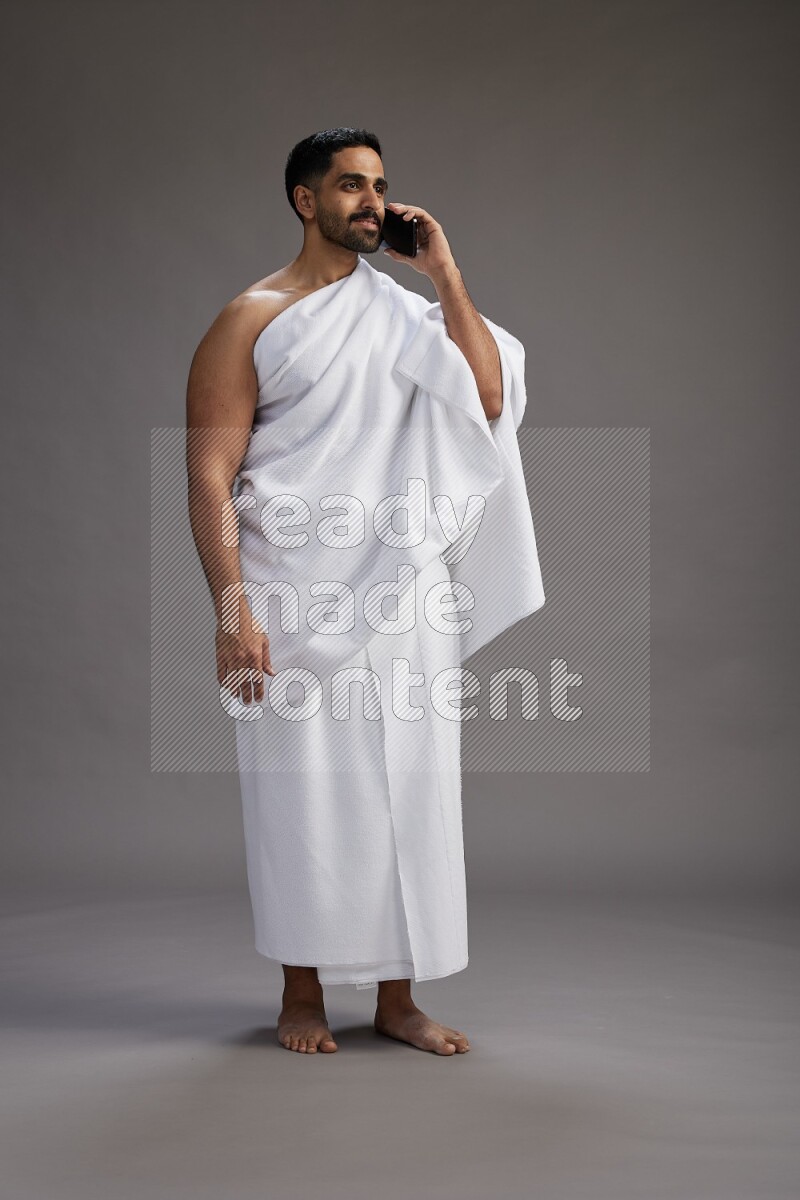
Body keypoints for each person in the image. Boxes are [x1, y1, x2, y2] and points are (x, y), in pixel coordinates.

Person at [186, 128, 544, 1056]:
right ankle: (300, 991)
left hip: (404, 593)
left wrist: (445, 275)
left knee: (412, 789)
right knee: (299, 793)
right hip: (290, 595)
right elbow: (209, 474)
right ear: (306, 200)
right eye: (350, 185)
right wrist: (233, 616)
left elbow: (489, 397)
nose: (371, 201)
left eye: (380, 185)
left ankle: (396, 997)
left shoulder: (409, 313)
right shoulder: (252, 317)